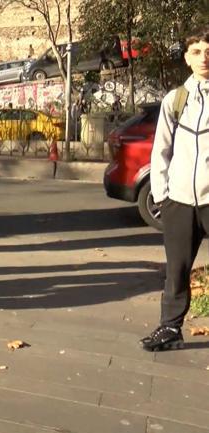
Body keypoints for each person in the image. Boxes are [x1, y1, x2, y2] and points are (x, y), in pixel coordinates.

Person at [140, 29, 209, 351]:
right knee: (177, 268)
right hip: (180, 199)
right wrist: (163, 194)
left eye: (207, 50)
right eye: (196, 51)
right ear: (187, 58)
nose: (203, 57)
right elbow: (161, 150)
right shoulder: (175, 99)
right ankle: (170, 327)